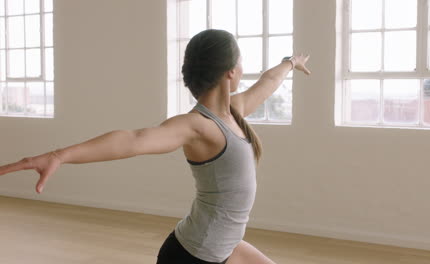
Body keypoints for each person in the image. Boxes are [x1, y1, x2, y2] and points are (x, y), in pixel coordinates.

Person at [0, 29, 310, 264]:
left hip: (221, 245)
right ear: (230, 71)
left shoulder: (235, 111)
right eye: (241, 62)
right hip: (195, 255)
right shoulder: (199, 127)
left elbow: (269, 82)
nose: (245, 69)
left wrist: (290, 63)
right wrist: (59, 156)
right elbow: (133, 140)